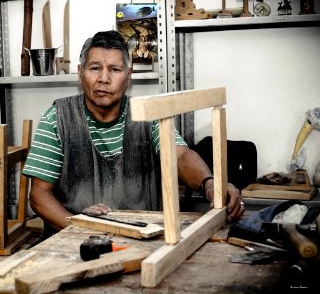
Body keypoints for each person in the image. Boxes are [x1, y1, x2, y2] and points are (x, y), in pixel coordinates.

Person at [22, 30, 245, 240]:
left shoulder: (148, 115)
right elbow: (39, 196)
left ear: (129, 76)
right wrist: (80, 226)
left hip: (143, 237)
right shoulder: (58, 117)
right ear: (81, 73)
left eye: (115, 70)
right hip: (72, 241)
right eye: (95, 68)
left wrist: (209, 183)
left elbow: (179, 156)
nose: (104, 79)